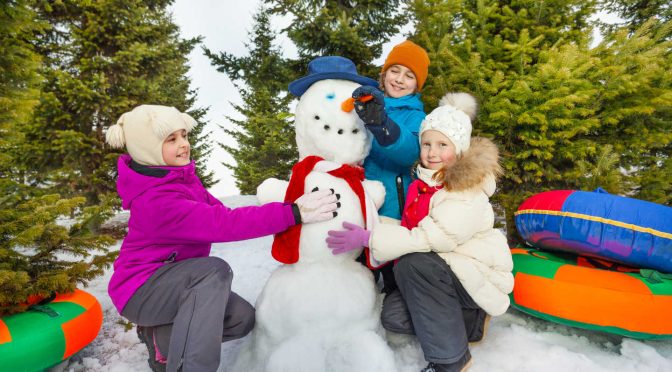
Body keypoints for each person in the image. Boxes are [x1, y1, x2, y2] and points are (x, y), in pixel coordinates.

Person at [104, 105, 340, 372]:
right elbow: (224, 224)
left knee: (241, 319)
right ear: (148, 149)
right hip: (141, 290)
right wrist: (294, 213)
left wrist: (285, 208)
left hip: (175, 283)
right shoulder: (157, 201)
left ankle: (163, 341)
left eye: (184, 135)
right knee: (212, 272)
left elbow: (223, 213)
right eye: (171, 139)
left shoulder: (181, 181)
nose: (184, 145)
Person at [326, 93, 514, 372]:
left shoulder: (465, 190)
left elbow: (431, 238)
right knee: (394, 317)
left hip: (474, 273)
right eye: (426, 143)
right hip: (448, 273)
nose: (432, 152)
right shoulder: (422, 185)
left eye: (442, 145)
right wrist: (369, 228)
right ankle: (469, 322)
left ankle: (450, 361)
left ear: (460, 150)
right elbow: (410, 230)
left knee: (413, 264)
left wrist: (370, 238)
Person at [351, 39, 431, 292]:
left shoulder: (415, 116)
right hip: (358, 197)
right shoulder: (366, 101)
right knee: (357, 263)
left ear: (417, 85)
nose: (399, 79)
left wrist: (382, 124)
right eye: (395, 71)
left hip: (391, 205)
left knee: (388, 263)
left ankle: (395, 307)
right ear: (384, 74)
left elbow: (409, 152)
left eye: (409, 76)